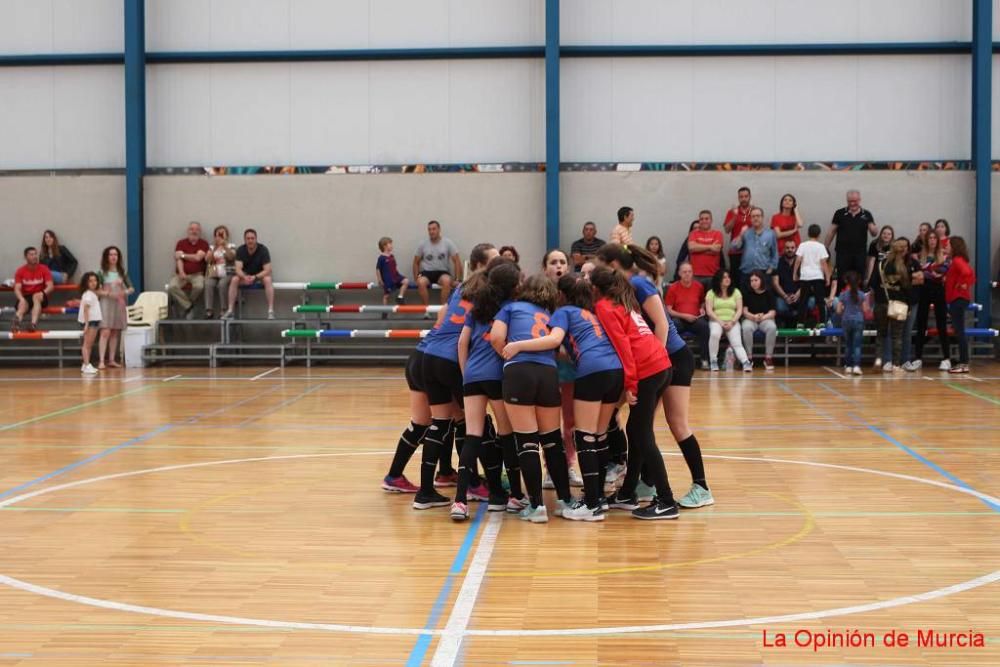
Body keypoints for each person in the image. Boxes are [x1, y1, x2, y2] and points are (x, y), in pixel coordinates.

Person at [506, 274, 625, 521]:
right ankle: (600, 499)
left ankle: (591, 504)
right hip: (615, 370)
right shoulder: (592, 314)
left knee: (584, 436)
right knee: (600, 436)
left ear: (561, 294)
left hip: (592, 370)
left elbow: (555, 340)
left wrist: (519, 346)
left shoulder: (564, 312)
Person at [591, 266, 678, 520]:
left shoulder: (605, 307)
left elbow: (624, 347)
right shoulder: (624, 301)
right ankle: (628, 492)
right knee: (635, 430)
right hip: (662, 364)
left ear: (596, 288)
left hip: (648, 370)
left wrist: (630, 384)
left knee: (643, 434)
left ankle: (666, 500)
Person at [417, 243, 499, 508]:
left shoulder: (461, 287)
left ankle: (425, 492)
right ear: (480, 265)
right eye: (495, 260)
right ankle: (483, 486)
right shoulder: (490, 293)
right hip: (453, 358)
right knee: (477, 424)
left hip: (430, 355)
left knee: (441, 424)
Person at [491, 272, 569, 523]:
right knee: (552, 440)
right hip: (548, 373)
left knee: (526, 442)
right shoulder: (552, 316)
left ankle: (536, 506)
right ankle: (566, 500)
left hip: (519, 371)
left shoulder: (511, 308)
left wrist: (507, 354)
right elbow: (559, 348)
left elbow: (495, 337)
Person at [451, 264, 512, 521]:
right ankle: (513, 495)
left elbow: (461, 342)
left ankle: (460, 501)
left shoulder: (476, 309)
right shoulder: (508, 309)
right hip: (496, 376)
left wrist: (466, 375)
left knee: (472, 435)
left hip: (473, 376)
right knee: (506, 434)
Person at [540, 249, 583, 488]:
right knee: (548, 423)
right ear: (545, 268)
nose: (558, 266)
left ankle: (568, 465)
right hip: (546, 367)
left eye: (562, 262)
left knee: (570, 422)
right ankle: (549, 469)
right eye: (553, 262)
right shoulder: (539, 298)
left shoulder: (575, 298)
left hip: (571, 370)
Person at [913, 232, 951, 371]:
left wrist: (929, 271)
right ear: (926, 240)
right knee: (921, 324)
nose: (932, 240)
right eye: (930, 238)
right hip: (923, 290)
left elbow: (943, 270)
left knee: (941, 324)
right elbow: (920, 272)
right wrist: (930, 272)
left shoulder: (943, 255)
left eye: (935, 238)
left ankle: (946, 358)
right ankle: (917, 358)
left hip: (938, 290)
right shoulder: (920, 256)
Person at [879, 237, 915, 372]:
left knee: (885, 333)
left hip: (885, 301)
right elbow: (907, 288)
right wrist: (910, 305)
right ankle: (896, 364)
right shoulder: (902, 267)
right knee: (897, 335)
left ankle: (886, 361)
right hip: (900, 302)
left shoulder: (884, 264)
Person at [665, 262, 710, 367]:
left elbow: (702, 302)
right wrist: (685, 316)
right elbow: (669, 310)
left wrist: (702, 308)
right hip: (679, 319)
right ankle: (672, 361)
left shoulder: (698, 286)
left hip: (695, 319)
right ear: (680, 273)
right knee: (671, 328)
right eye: (684, 272)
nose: (687, 274)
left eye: (689, 272)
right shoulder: (673, 288)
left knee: (705, 327)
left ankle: (704, 360)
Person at [705, 269, 751, 372]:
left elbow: (739, 310)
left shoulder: (736, 292)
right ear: (719, 280)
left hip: (732, 321)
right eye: (724, 277)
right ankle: (713, 361)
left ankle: (745, 362)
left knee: (736, 342)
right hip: (716, 320)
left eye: (728, 277)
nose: (727, 279)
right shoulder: (711, 293)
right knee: (714, 334)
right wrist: (720, 322)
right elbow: (709, 311)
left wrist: (732, 322)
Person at [825, 189, 877, 280]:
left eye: (855, 201)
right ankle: (841, 294)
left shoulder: (866, 214)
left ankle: (858, 294)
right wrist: (825, 247)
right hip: (842, 253)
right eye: (850, 201)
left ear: (859, 200)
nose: (852, 203)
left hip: (860, 253)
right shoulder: (839, 213)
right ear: (847, 200)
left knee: (859, 276)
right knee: (841, 277)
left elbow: (874, 233)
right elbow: (831, 231)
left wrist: (873, 229)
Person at [223, 229, 274, 320]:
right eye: (248, 238)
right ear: (245, 240)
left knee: (268, 279)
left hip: (259, 277)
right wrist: (244, 277)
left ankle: (270, 311)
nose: (250, 240)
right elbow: (238, 269)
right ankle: (230, 310)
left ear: (256, 239)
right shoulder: (241, 250)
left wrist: (255, 277)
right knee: (234, 279)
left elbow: (267, 270)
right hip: (245, 277)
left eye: (252, 238)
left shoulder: (263, 250)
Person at [97, 245, 134, 369]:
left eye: (116, 255)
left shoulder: (122, 273)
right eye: (111, 254)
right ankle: (102, 360)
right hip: (106, 303)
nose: (113, 257)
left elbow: (131, 288)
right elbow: (96, 290)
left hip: (118, 303)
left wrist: (124, 292)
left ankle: (112, 359)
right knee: (105, 331)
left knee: (115, 332)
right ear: (106, 257)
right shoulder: (101, 273)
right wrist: (108, 292)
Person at [413, 220, 462, 306]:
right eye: (429, 229)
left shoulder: (448, 243)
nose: (431, 231)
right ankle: (426, 310)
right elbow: (415, 262)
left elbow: (457, 261)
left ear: (439, 230)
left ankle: (442, 308)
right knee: (420, 282)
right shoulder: (422, 244)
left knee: (447, 281)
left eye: (434, 229)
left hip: (442, 272)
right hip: (426, 273)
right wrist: (416, 277)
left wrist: (457, 279)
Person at [167, 222, 210, 319]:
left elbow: (198, 258)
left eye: (196, 229)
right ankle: (189, 306)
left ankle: (187, 305)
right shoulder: (181, 243)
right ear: (188, 231)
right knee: (172, 287)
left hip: (197, 274)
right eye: (192, 229)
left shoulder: (203, 243)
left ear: (200, 231)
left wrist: (183, 255)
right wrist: (181, 272)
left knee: (199, 287)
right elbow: (178, 259)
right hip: (181, 274)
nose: (194, 231)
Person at [866, 225, 895, 368]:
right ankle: (879, 359)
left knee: (890, 331)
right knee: (881, 330)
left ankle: (889, 360)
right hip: (879, 299)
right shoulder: (877, 266)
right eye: (884, 233)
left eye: (889, 234)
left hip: (892, 300)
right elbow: (871, 263)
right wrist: (869, 279)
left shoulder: (894, 270)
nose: (886, 235)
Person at [945, 237, 974, 374]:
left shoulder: (957, 260)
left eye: (948, 245)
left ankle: (964, 363)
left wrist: (961, 284)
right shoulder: (957, 261)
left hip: (958, 299)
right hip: (957, 299)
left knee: (959, 331)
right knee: (959, 331)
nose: (946, 247)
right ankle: (963, 362)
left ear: (954, 247)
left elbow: (968, 273)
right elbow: (972, 276)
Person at [731, 206, 778, 293]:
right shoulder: (746, 233)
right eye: (753, 216)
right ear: (750, 219)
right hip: (747, 272)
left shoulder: (770, 234)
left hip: (763, 272)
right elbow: (734, 247)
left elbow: (774, 254)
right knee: (746, 301)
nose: (755, 218)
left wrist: (771, 269)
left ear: (762, 217)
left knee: (764, 301)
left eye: (758, 216)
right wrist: (741, 234)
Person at [793, 224, 831, 327]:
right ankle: (822, 322)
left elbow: (798, 260)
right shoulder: (821, 247)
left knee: (803, 300)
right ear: (819, 235)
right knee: (820, 300)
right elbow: (824, 263)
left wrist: (795, 273)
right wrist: (827, 277)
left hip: (805, 276)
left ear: (808, 233)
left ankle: (800, 322)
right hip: (818, 275)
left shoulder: (802, 245)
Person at [740, 270, 777, 370]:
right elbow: (745, 311)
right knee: (746, 327)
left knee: (772, 327)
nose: (753, 283)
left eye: (756, 280)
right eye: (751, 281)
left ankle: (768, 358)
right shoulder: (748, 293)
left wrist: (762, 317)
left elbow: (773, 312)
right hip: (751, 319)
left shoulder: (769, 292)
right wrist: (753, 317)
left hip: (765, 318)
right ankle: (749, 357)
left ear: (761, 280)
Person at [834, 271, 870, 375]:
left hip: (846, 321)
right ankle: (857, 366)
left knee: (848, 345)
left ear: (846, 281)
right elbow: (865, 309)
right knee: (857, 345)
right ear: (859, 281)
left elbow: (838, 310)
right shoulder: (862, 295)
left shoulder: (843, 295)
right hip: (858, 321)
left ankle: (848, 366)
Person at [12, 247, 54, 333]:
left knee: (36, 296)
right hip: (27, 296)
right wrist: (21, 299)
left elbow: (50, 286)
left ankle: (33, 324)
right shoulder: (20, 271)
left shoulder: (44, 268)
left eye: (35, 254)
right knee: (23, 304)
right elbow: (17, 288)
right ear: (26, 257)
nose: (34, 256)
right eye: (31, 254)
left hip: (40, 295)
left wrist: (43, 293)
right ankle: (16, 323)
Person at [724, 186, 753, 288]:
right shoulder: (732, 212)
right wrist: (735, 216)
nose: (743, 199)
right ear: (738, 198)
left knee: (751, 280)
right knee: (736, 281)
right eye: (741, 197)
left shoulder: (755, 211)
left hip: (751, 252)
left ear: (750, 197)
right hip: (735, 251)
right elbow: (727, 230)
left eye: (746, 196)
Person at [205, 225, 236, 319]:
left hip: (227, 273)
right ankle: (209, 310)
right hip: (214, 272)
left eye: (222, 233)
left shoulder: (231, 246)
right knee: (208, 283)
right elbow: (207, 260)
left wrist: (224, 246)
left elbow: (232, 257)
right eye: (218, 234)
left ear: (227, 235)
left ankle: (224, 310)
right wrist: (215, 247)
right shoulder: (212, 247)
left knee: (222, 284)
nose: (220, 236)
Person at [687, 210, 724, 289]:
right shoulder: (693, 233)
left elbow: (716, 250)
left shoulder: (717, 234)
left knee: (711, 300)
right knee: (696, 300)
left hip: (713, 275)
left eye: (707, 219)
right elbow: (691, 248)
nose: (704, 221)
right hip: (695, 275)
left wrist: (698, 249)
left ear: (711, 220)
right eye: (702, 219)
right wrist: (710, 247)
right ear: (699, 220)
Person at [77, 272, 102, 375]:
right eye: (90, 281)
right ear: (86, 283)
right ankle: (87, 364)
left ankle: (85, 363)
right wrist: (87, 324)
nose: (93, 283)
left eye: (95, 280)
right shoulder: (88, 294)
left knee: (90, 344)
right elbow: (85, 309)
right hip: (90, 322)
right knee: (87, 344)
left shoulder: (93, 294)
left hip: (94, 321)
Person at [773, 239, 802, 327]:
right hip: (783, 296)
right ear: (783, 249)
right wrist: (785, 296)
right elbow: (775, 283)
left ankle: (796, 324)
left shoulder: (801, 262)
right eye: (787, 248)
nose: (790, 250)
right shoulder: (777, 262)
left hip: (798, 295)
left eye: (792, 248)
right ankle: (788, 325)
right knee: (780, 307)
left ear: (796, 249)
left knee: (811, 303)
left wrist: (797, 295)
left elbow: (806, 281)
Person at [376, 237, 410, 305]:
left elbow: (394, 267)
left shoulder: (392, 256)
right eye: (390, 244)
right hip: (388, 279)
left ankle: (400, 297)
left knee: (406, 281)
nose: (392, 245)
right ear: (384, 246)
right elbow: (378, 269)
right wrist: (380, 280)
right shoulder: (381, 258)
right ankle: (384, 311)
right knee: (386, 296)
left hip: (396, 276)